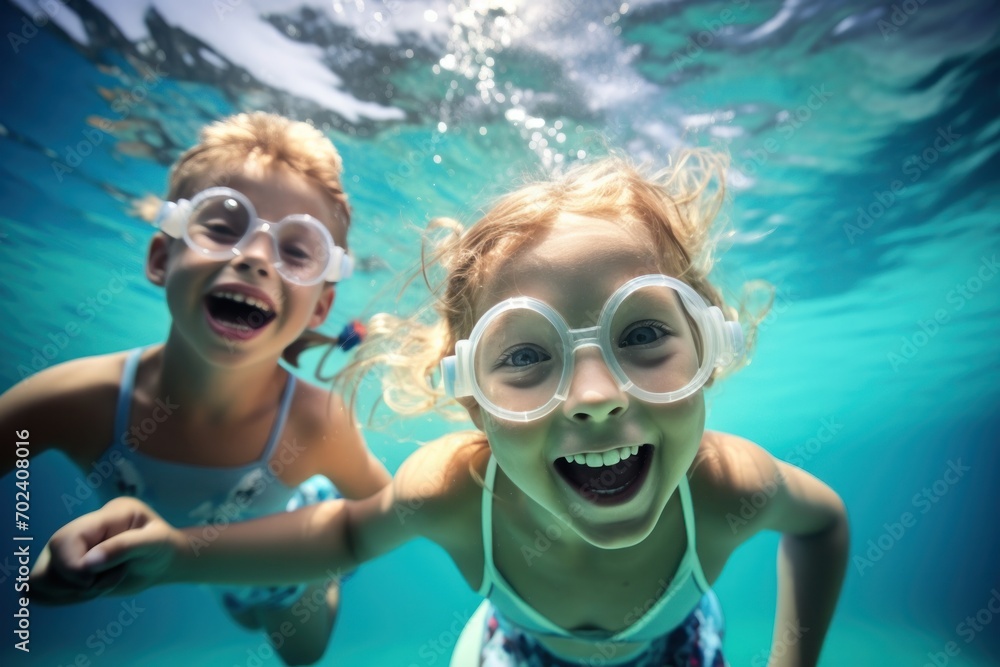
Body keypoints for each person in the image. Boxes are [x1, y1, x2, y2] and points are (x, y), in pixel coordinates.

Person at [30, 151, 848, 667]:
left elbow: (824, 522)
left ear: (708, 351)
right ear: (473, 402)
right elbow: (343, 532)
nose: (597, 397)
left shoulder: (729, 487)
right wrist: (180, 549)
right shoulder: (457, 491)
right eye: (525, 355)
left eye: (643, 333)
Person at [2, 112, 391, 666]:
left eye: (296, 249)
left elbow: (388, 512)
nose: (255, 257)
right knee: (238, 607)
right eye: (224, 225)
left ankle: (311, 584)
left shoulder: (315, 422)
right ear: (162, 258)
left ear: (320, 308)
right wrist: (23, 568)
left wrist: (317, 558)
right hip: (207, 567)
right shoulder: (70, 401)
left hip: (286, 561)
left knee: (296, 652)